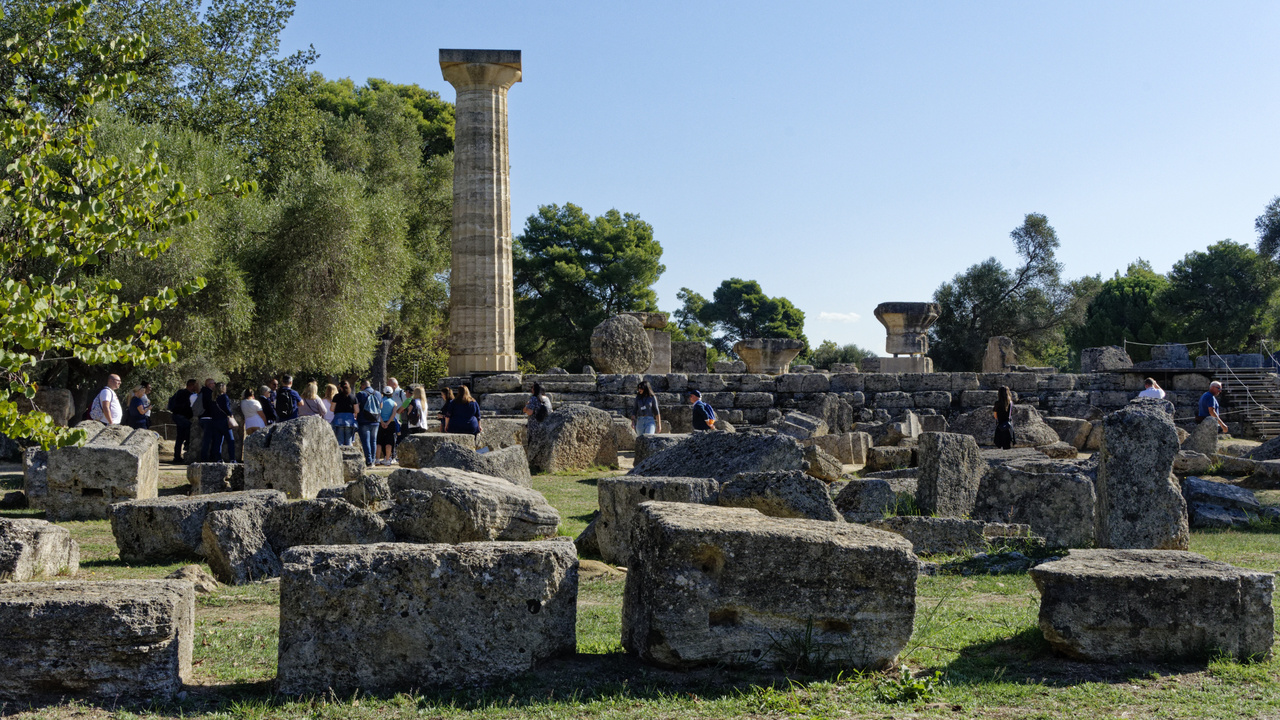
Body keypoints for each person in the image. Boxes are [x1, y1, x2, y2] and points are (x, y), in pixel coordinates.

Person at [167, 379, 197, 464]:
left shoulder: (180, 393)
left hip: (178, 416)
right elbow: (186, 407)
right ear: (191, 385)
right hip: (181, 416)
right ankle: (186, 445)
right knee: (188, 428)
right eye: (195, 385)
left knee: (180, 437)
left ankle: (177, 456)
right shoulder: (186, 394)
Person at [207, 382, 236, 462]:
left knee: (217, 441)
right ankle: (232, 458)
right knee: (230, 440)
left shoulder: (213, 398)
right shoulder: (224, 397)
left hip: (215, 421)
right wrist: (231, 414)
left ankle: (218, 458)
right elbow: (226, 407)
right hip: (224, 421)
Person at [355, 380, 381, 466]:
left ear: (363, 385)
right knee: (373, 440)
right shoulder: (378, 393)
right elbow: (381, 406)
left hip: (364, 420)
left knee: (366, 441)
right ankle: (373, 460)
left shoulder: (361, 394)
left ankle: (368, 460)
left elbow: (357, 406)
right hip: (375, 420)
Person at [376, 386, 401, 465]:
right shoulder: (394, 403)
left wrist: (382, 422)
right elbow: (393, 414)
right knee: (389, 441)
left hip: (380, 423)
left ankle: (377, 459)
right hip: (390, 423)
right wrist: (388, 423)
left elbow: (378, 413)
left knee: (379, 441)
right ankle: (387, 460)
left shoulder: (380, 402)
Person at [330, 380, 358, 446]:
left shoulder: (336, 396)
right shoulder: (353, 397)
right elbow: (357, 410)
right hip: (349, 420)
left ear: (341, 388)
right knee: (349, 441)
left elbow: (332, 409)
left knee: (340, 441)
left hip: (338, 420)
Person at [197, 378, 216, 461]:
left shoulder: (201, 392)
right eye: (213, 383)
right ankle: (205, 458)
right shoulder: (209, 393)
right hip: (208, 418)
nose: (215, 385)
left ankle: (205, 457)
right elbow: (210, 406)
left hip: (201, 418)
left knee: (206, 439)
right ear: (209, 384)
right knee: (208, 439)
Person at [993, 385, 1015, 450]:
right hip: (1008, 425)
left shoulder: (997, 403)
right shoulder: (1010, 403)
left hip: (1001, 425)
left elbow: (995, 415)